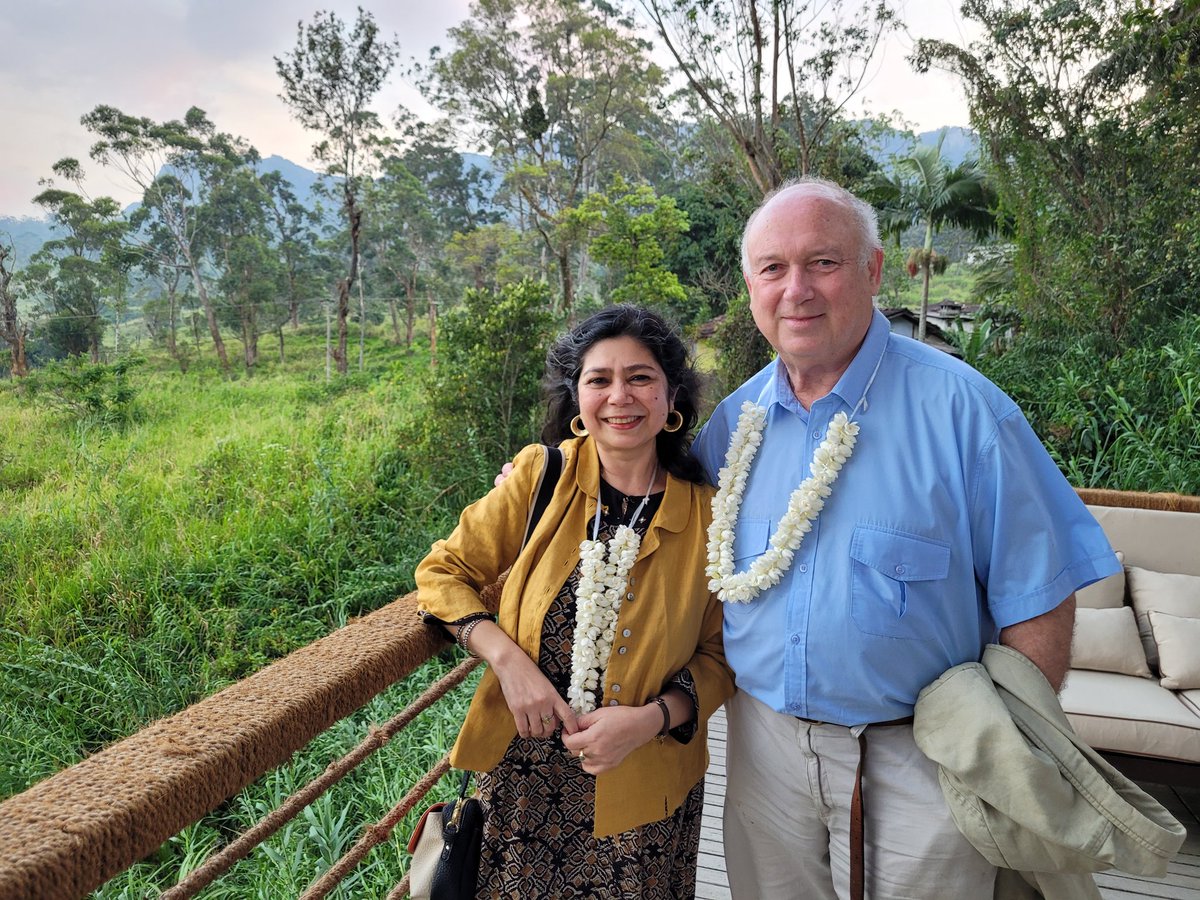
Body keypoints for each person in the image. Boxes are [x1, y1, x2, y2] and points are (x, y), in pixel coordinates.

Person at [691, 177, 1121, 899]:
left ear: (873, 270)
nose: (796, 289)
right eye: (772, 268)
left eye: (823, 262)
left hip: (920, 760)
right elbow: (656, 521)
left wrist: (1000, 757)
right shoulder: (734, 425)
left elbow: (1040, 596)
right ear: (750, 284)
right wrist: (551, 469)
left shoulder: (966, 412)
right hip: (762, 753)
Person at [416, 305, 734, 898]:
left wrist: (650, 720)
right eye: (600, 379)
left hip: (645, 786)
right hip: (525, 779)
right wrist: (510, 665)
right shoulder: (543, 476)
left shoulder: (708, 515)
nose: (621, 396)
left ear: (671, 400)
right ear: (579, 398)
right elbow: (442, 572)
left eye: (641, 378)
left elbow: (720, 657)